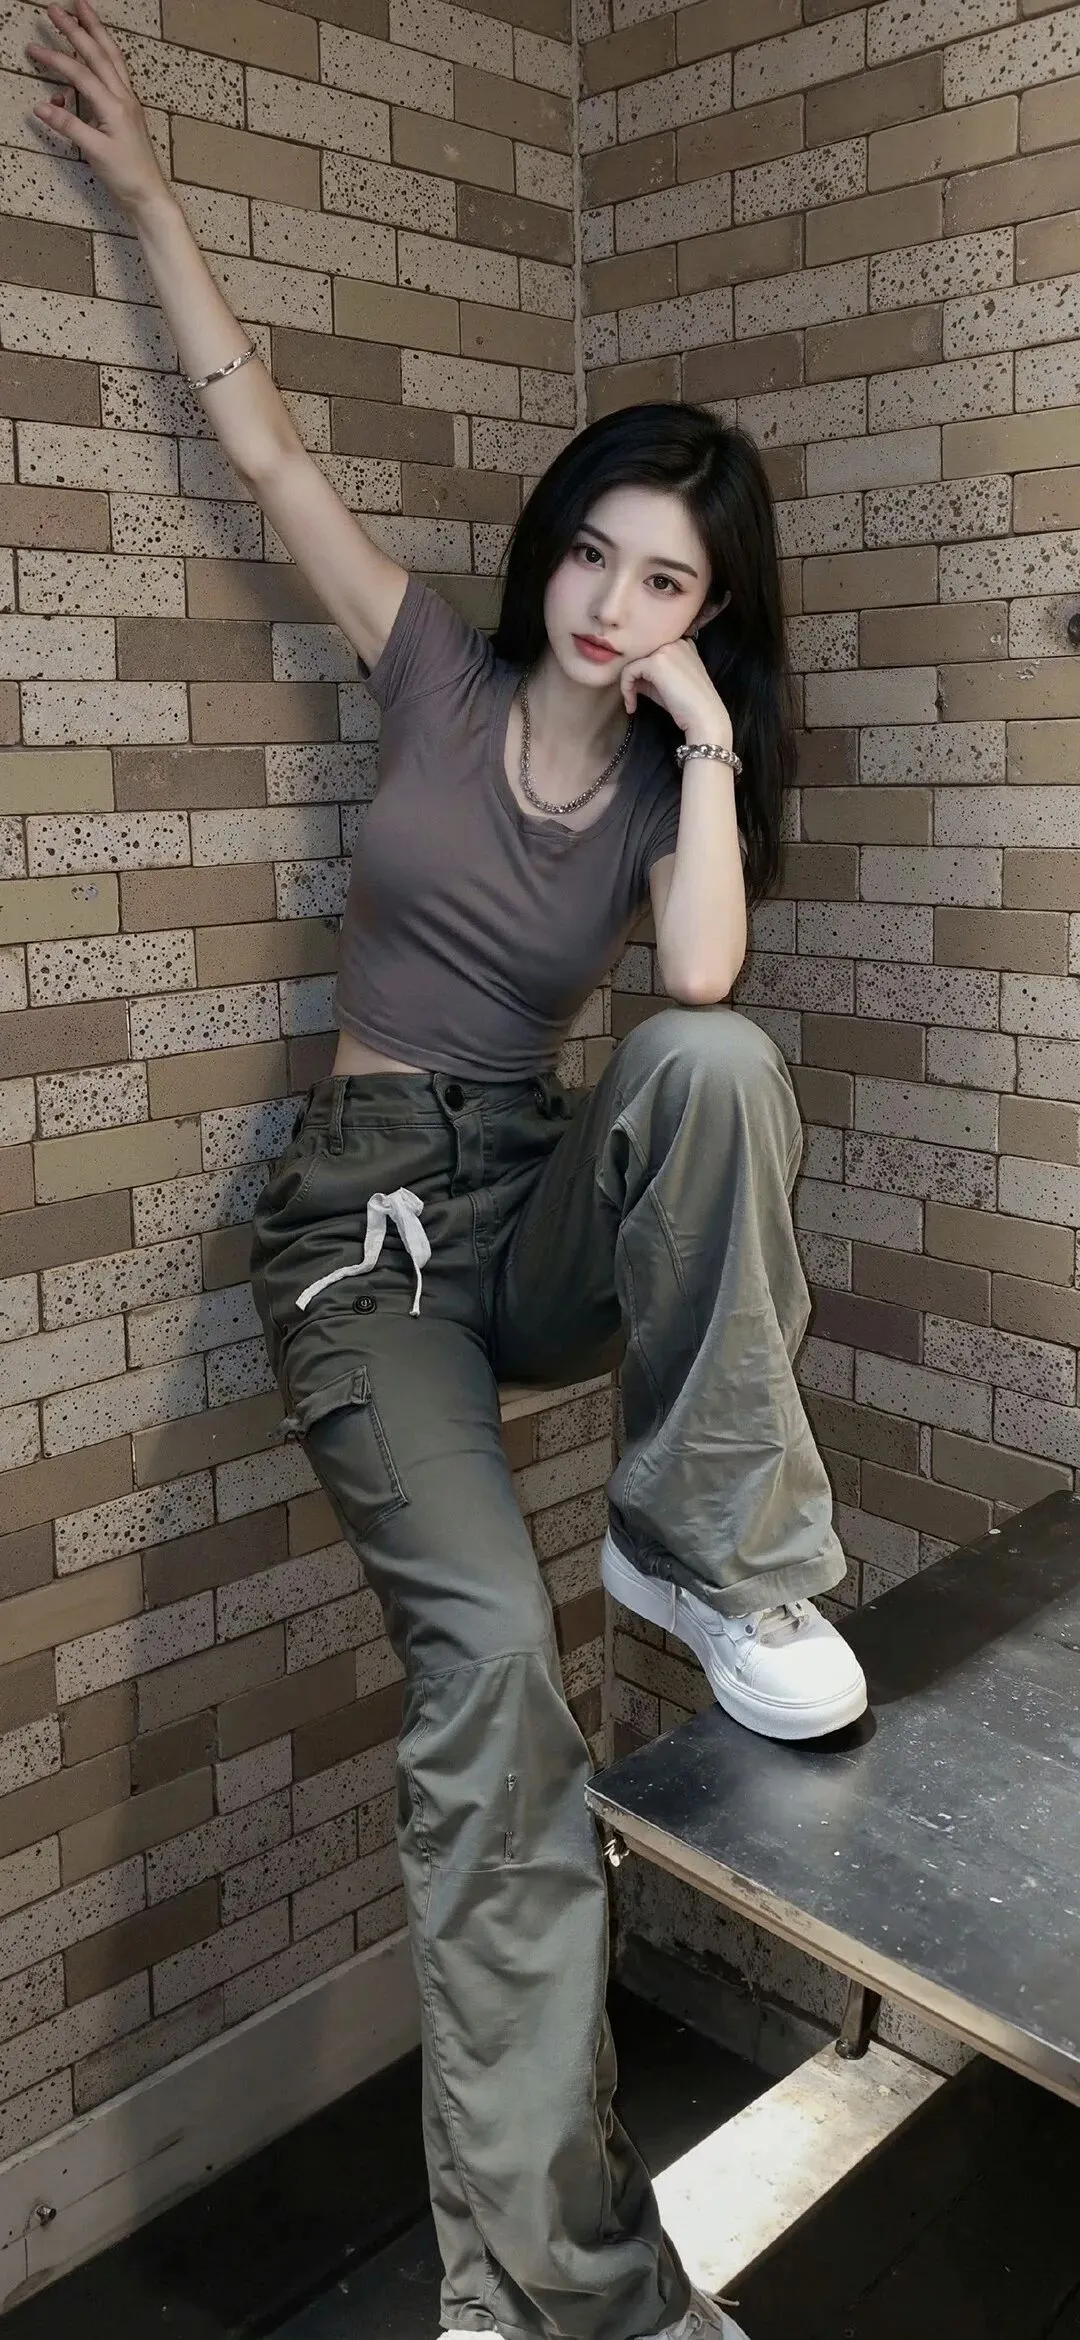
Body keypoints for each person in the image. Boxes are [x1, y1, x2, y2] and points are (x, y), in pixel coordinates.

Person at [30, 8, 868, 2334]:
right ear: (549, 552)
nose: (610, 601)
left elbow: (697, 981)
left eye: (666, 583)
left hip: (534, 1197)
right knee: (498, 1676)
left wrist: (708, 749)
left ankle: (714, 1553)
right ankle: (553, 2297)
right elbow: (262, 448)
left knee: (717, 1066)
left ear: (709, 617)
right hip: (366, 1237)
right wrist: (153, 199)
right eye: (596, 555)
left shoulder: (668, 785)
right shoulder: (431, 673)